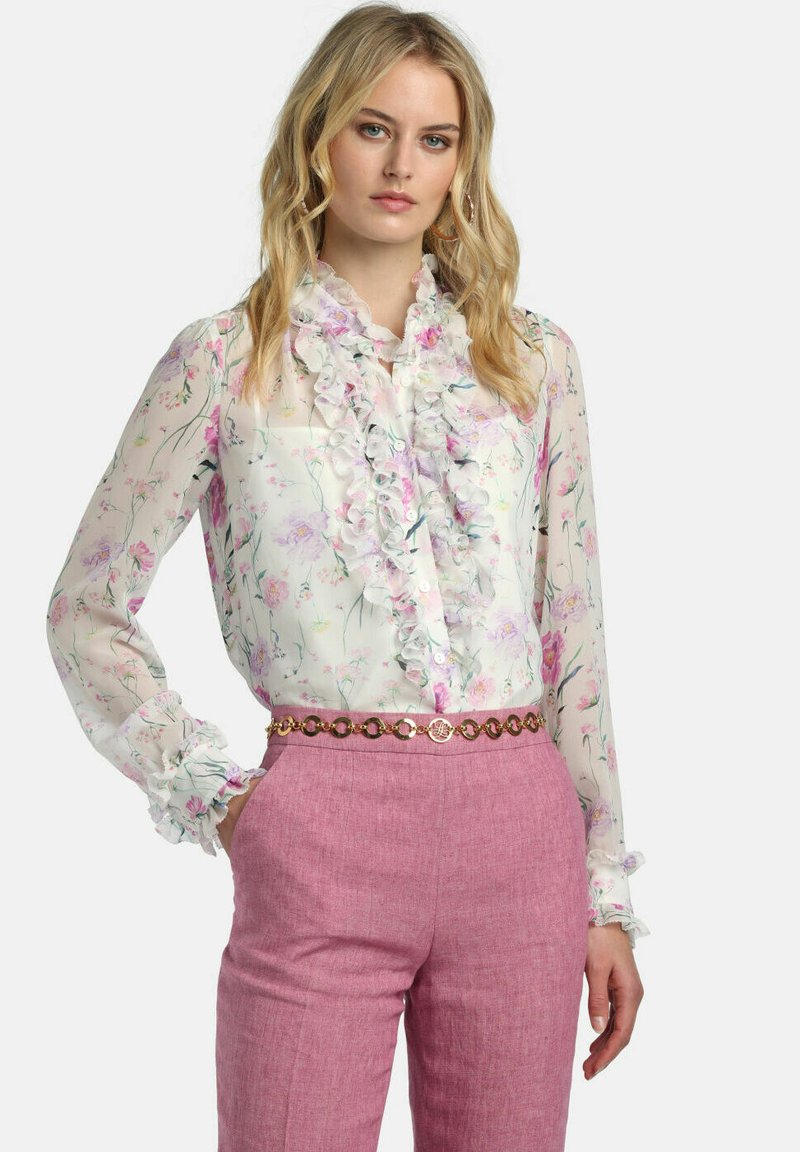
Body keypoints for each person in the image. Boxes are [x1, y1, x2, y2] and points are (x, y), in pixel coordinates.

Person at [45, 4, 649, 1149]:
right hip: (320, 831)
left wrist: (604, 892)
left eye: (434, 138)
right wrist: (222, 801)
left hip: (521, 841)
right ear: (317, 138)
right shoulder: (224, 362)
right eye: (373, 128)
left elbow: (573, 635)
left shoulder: (530, 362)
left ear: (462, 161)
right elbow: (86, 613)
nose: (400, 164)